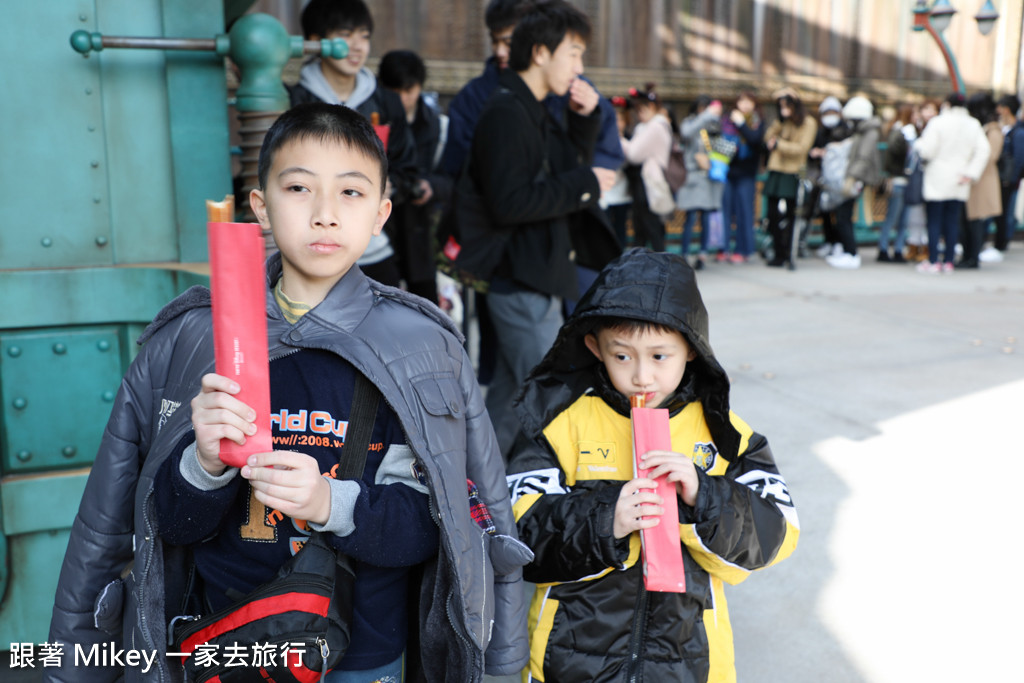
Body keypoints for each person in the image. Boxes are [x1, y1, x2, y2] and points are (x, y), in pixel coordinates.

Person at [46, 103, 532, 683]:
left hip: (363, 653)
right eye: (299, 187)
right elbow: (159, 527)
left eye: (350, 193)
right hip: (228, 640)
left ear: (381, 214)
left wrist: (332, 505)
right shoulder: (191, 337)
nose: (325, 214)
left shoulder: (420, 346)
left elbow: (439, 526)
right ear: (261, 207)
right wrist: (203, 463)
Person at [506, 247, 799, 682]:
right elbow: (517, 538)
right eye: (622, 355)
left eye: (661, 356)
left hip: (690, 660)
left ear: (693, 351)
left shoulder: (722, 433)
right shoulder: (559, 425)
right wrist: (606, 517)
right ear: (594, 347)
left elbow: (780, 533)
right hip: (568, 658)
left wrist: (705, 497)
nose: (642, 376)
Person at [467, 0, 620, 459]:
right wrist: (586, 183)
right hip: (520, 279)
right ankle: (501, 491)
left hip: (535, 276)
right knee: (550, 393)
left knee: (515, 394)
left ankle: (471, 482)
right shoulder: (507, 111)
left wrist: (584, 120)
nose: (579, 66)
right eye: (573, 53)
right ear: (540, 53)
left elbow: (563, 168)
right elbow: (510, 202)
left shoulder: (532, 106)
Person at [287, 0, 420, 289]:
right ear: (314, 42)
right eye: (345, 34)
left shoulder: (386, 102)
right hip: (313, 249)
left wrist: (387, 186)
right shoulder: (294, 102)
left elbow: (409, 169)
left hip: (375, 251)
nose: (357, 46)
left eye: (364, 36)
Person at [378, 49, 452, 302]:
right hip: (382, 235)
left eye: (408, 90)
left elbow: (456, 178)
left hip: (422, 237)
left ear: (420, 87)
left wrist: (431, 186)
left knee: (425, 313)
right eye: (395, 91)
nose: (401, 98)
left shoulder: (437, 126)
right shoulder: (372, 119)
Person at [914, 92, 990, 274]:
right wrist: (971, 173)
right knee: (952, 221)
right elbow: (983, 150)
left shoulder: (937, 123)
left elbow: (927, 150)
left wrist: (918, 144)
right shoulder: (973, 124)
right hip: (960, 179)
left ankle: (934, 261)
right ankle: (948, 261)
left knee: (934, 221)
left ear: (947, 104)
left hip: (938, 177)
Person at [826, 96, 882, 270]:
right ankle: (847, 251)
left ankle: (851, 253)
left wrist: (851, 178)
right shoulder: (862, 131)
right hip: (854, 176)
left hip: (857, 179)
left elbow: (863, 158)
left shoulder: (870, 132)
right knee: (842, 215)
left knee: (843, 216)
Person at [763, 88, 817, 267]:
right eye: (781, 107)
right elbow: (767, 138)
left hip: (794, 172)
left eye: (787, 106)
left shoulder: (808, 123)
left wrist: (779, 144)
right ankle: (778, 251)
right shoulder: (782, 122)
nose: (784, 110)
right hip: (776, 170)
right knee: (772, 214)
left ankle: (789, 251)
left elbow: (801, 149)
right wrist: (778, 123)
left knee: (793, 214)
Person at [620, 83, 674, 252]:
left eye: (641, 110)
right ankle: (641, 268)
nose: (638, 114)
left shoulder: (656, 126)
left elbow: (634, 155)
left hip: (648, 185)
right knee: (641, 231)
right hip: (643, 184)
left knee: (651, 230)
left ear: (651, 107)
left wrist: (620, 138)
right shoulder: (647, 127)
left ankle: (660, 270)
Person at [677, 95, 725, 269]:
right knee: (689, 217)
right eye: (702, 107)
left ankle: (703, 254)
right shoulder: (690, 122)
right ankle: (684, 254)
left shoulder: (715, 124)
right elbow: (686, 134)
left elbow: (721, 147)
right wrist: (705, 117)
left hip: (708, 175)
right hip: (692, 174)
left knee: (706, 218)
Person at [720, 91, 765, 263]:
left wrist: (741, 124)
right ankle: (723, 248)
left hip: (746, 173)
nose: (745, 105)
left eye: (749, 101)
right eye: (742, 101)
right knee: (725, 211)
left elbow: (755, 140)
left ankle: (743, 249)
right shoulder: (725, 121)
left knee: (744, 212)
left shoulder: (756, 121)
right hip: (727, 171)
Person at [961, 92, 1003, 269]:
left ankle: (973, 257)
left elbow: (991, 156)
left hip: (982, 181)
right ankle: (968, 255)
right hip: (974, 180)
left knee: (976, 221)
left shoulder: (993, 130)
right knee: (969, 221)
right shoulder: (982, 128)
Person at [809, 96, 852, 258]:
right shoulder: (821, 131)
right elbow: (813, 148)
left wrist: (830, 152)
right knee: (825, 212)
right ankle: (829, 241)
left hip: (840, 177)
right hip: (823, 177)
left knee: (841, 214)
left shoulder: (846, 130)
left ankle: (841, 244)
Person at [876, 104, 916, 263]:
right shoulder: (899, 133)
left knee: (904, 220)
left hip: (908, 181)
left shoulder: (909, 132)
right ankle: (883, 249)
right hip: (898, 180)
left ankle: (899, 250)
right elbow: (893, 155)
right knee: (892, 217)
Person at [989, 94, 1024, 259]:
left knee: (1005, 214)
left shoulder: (1018, 132)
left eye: (1000, 107)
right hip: (999, 177)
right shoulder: (1003, 128)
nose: (997, 111)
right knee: (999, 212)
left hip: (1007, 180)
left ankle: (1000, 245)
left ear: (1006, 109)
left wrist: (1010, 179)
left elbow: (1017, 159)